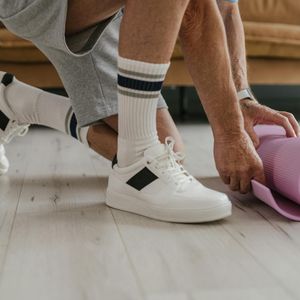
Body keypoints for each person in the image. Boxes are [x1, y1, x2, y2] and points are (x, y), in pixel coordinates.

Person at [0, 0, 299, 223]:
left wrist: (242, 99)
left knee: (170, 152)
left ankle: (19, 103)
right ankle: (134, 169)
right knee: (142, 151)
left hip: (107, 13)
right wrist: (231, 134)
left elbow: (224, 8)